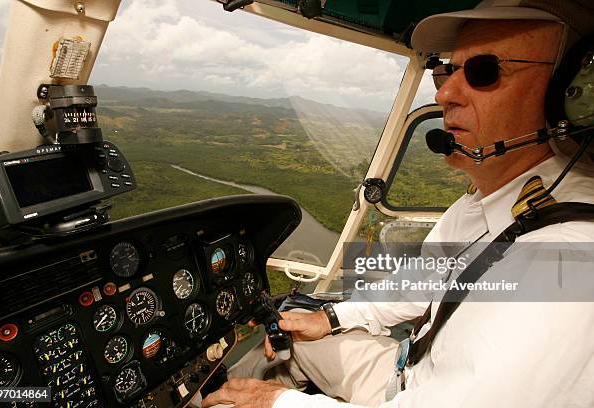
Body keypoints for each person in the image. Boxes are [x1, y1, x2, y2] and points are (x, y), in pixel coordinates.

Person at [202, 1, 594, 407]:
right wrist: (331, 319)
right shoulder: (489, 201)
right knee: (287, 342)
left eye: (483, 71)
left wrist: (277, 402)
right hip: (406, 372)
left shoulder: (570, 262)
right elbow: (425, 279)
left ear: (572, 96)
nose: (444, 93)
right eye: (446, 70)